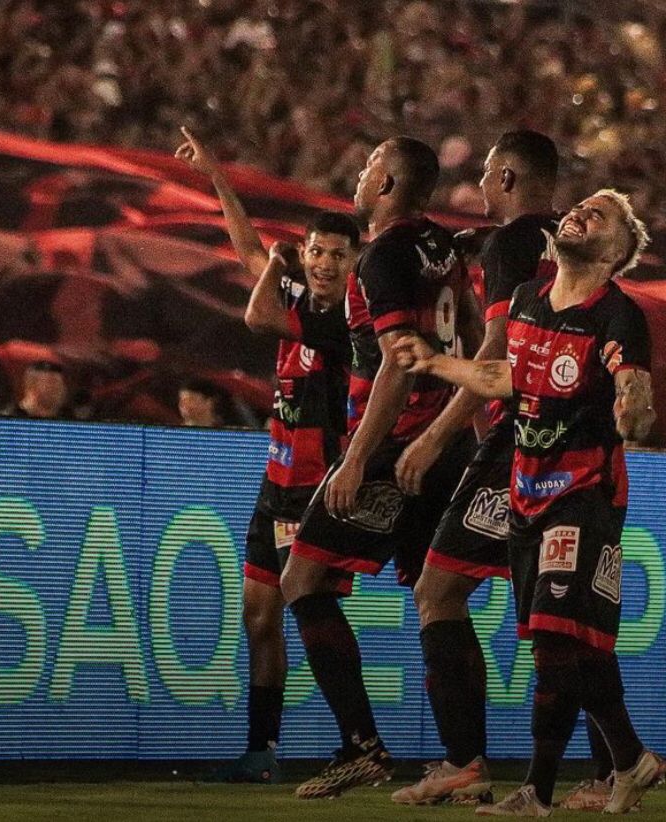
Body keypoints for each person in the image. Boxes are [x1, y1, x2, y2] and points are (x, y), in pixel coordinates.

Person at [394, 190, 666, 816]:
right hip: (526, 490)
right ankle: (630, 760)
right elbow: (505, 378)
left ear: (616, 252)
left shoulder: (618, 314)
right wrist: (435, 363)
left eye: (599, 215)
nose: (579, 213)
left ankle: (538, 793)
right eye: (580, 206)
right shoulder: (527, 300)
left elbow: (633, 386)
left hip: (584, 491)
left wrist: (634, 409)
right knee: (568, 646)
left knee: (553, 635)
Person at [279, 137, 480, 800]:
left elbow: (398, 359)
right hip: (447, 441)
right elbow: (472, 336)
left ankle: (361, 747)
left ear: (388, 182)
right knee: (438, 597)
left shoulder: (384, 255)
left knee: (303, 579)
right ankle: (465, 763)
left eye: (369, 165)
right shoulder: (441, 246)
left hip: (397, 446)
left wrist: (358, 459)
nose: (360, 173)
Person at [176, 127, 361, 783]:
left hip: (315, 490)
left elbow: (257, 315)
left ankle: (359, 742)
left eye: (338, 254)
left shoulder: (346, 323)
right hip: (275, 483)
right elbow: (249, 250)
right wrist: (217, 177)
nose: (325, 263)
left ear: (354, 262)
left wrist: (280, 266)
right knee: (260, 617)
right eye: (317, 251)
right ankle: (263, 752)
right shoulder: (297, 291)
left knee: (311, 614)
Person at [390, 129, 563, 805]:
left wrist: (436, 436)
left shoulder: (508, 243)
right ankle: (617, 763)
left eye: (490, 174)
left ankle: (465, 761)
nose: (483, 185)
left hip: (519, 438)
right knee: (559, 616)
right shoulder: (568, 239)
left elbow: (497, 353)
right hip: (571, 440)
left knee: (438, 591)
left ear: (510, 178)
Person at [4, 360, 71, 420]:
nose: (59, 389)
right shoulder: (9, 419)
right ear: (31, 386)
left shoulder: (68, 418)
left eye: (61, 384)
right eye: (52, 383)